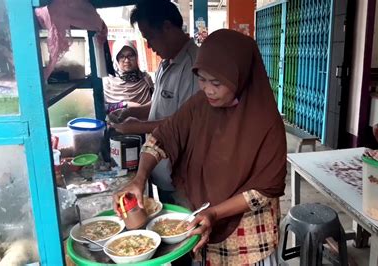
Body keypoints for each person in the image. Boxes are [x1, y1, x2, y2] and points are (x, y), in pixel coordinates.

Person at [113, 29, 287, 265]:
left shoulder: (266, 123)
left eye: (216, 82)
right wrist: (139, 178)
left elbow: (264, 190)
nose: (208, 89)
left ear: (241, 77)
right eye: (202, 79)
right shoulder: (200, 106)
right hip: (205, 222)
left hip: (248, 238)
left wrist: (215, 213)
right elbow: (161, 138)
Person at [109, 0, 199, 204]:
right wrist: (134, 114)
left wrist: (138, 127)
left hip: (182, 177)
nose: (149, 45)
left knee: (184, 229)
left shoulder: (194, 66)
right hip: (160, 168)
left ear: (167, 26)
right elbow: (160, 106)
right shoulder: (166, 63)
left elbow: (186, 121)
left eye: (150, 37)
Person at [103, 39, 154, 113]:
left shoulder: (145, 78)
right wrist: (124, 105)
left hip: (144, 123)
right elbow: (102, 108)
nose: (127, 60)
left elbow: (156, 103)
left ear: (136, 57)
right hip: (116, 123)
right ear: (116, 59)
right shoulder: (108, 81)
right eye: (122, 56)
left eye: (130, 55)